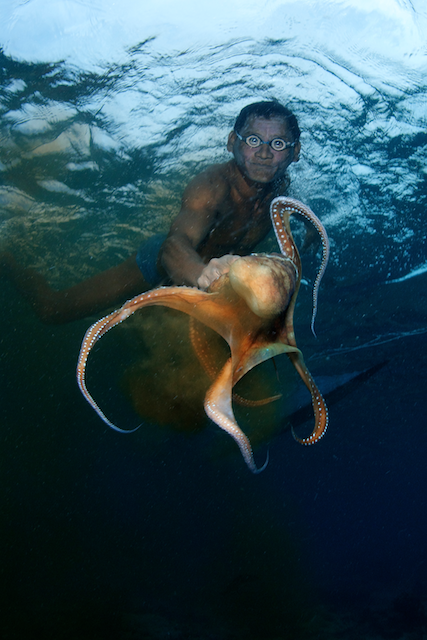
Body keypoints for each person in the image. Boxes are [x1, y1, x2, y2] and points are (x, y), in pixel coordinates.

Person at [0, 100, 302, 324]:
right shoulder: (212, 185)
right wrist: (201, 273)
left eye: (277, 143)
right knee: (52, 310)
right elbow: (176, 243)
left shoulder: (281, 191)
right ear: (231, 142)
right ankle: (8, 259)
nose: (264, 153)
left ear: (294, 152)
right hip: (164, 263)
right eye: (253, 140)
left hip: (210, 286)